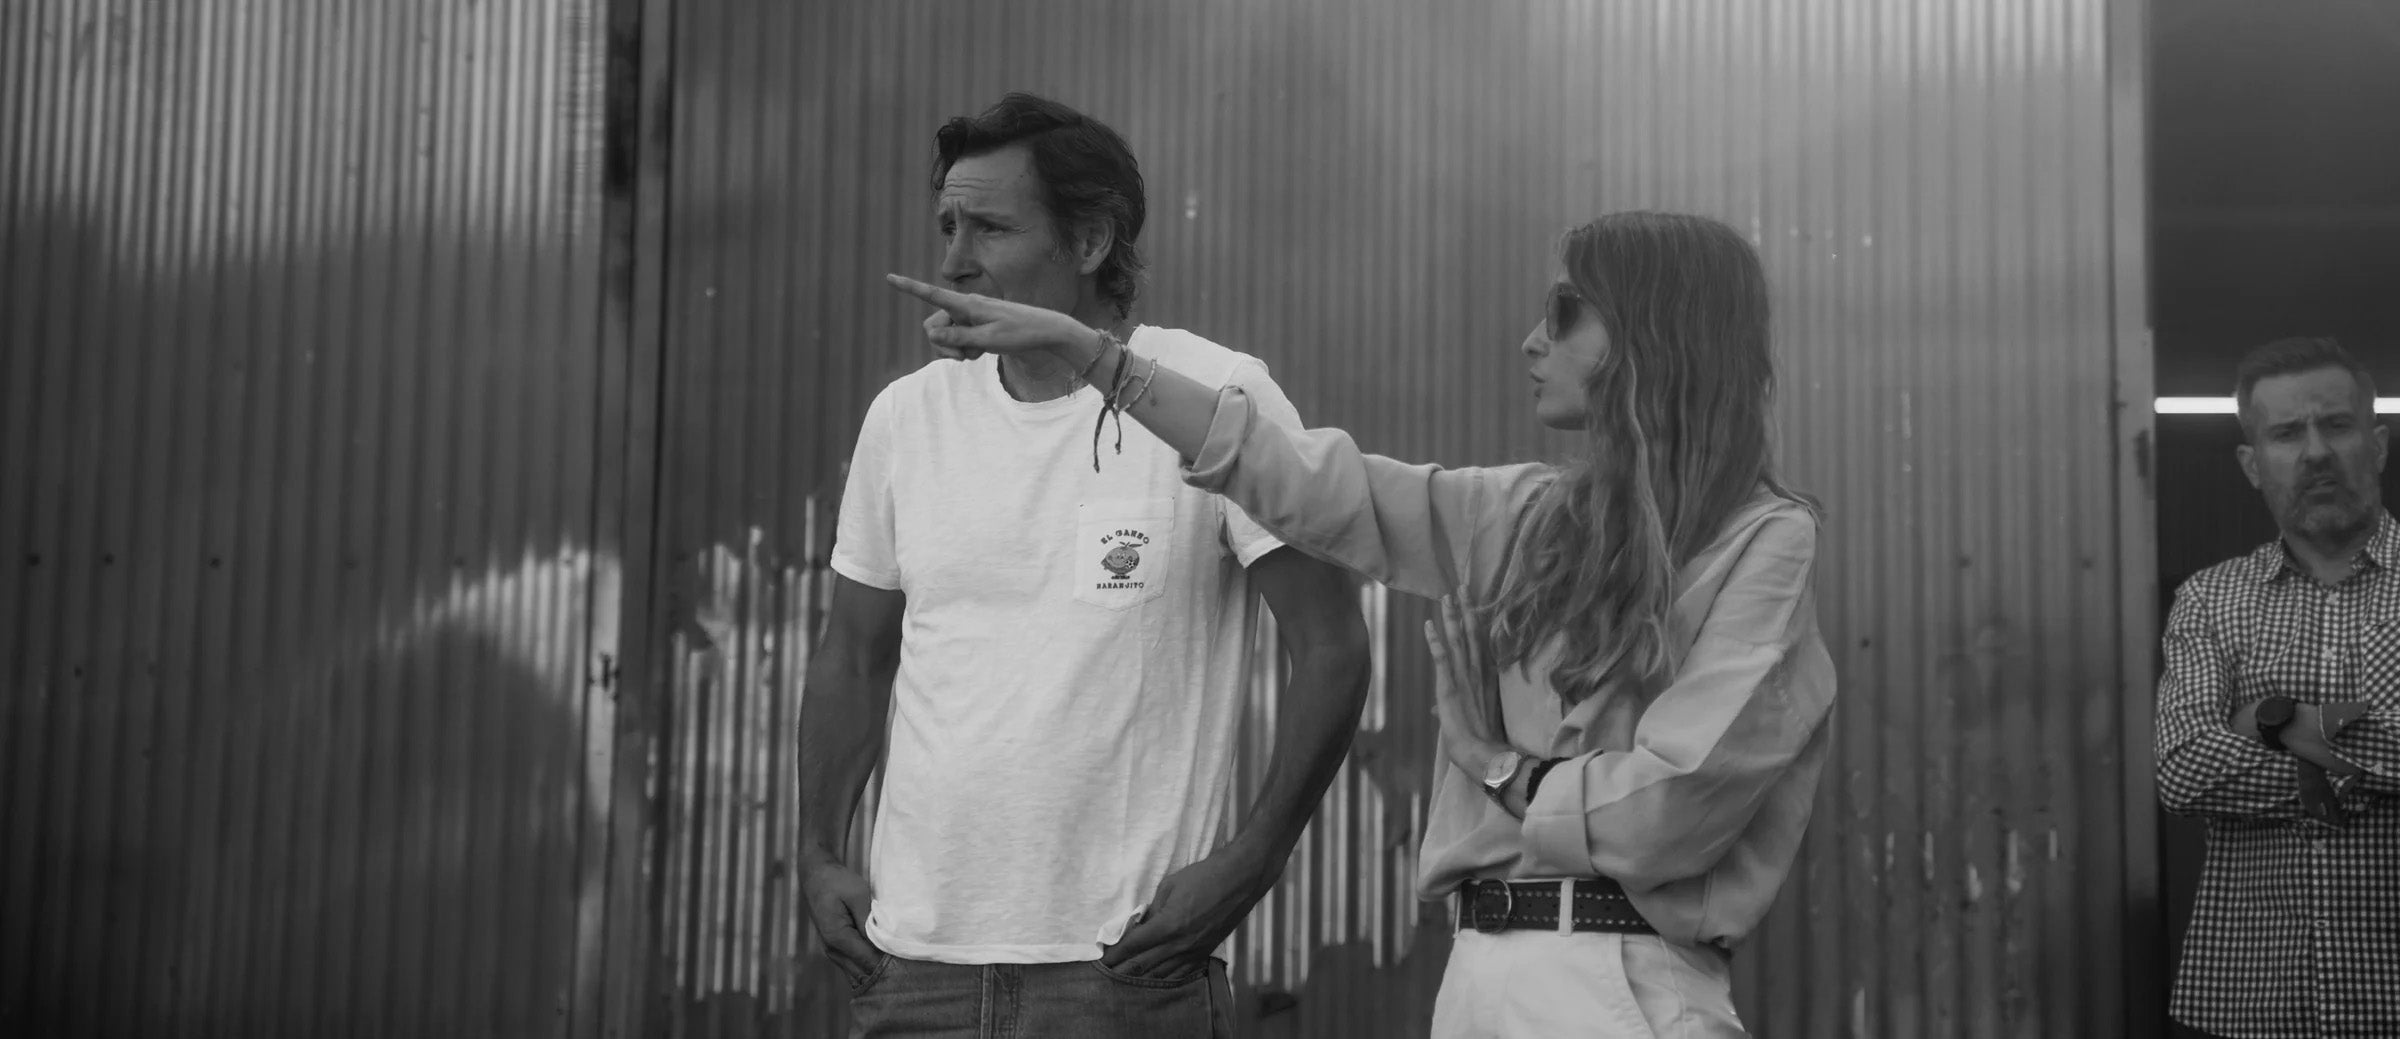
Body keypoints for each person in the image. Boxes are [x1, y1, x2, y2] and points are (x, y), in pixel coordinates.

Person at [889, 210, 1838, 1037]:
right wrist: (1094, 356)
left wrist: (1500, 769)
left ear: (1654, 334)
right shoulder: (1531, 515)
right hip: (1479, 971)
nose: (1530, 341)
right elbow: (1305, 481)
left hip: (1619, 979)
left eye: (1563, 312)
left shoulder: (1767, 541)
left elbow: (1666, 812)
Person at [795, 93, 1375, 1039]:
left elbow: (1332, 645)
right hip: (912, 969)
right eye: (947, 226)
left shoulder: (1213, 395)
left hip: (1124, 967)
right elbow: (853, 657)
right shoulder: (907, 417)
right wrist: (819, 851)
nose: (955, 261)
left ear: (1093, 240)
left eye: (990, 227)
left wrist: (1252, 860)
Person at [2155, 336, 2400, 1039]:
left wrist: (2269, 721)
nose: (2316, 452)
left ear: (2378, 445)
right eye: (2287, 433)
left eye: (2338, 425)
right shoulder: (2209, 599)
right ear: (2251, 464)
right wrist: (2367, 757)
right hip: (2256, 996)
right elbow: (2182, 770)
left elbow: (2213, 757)